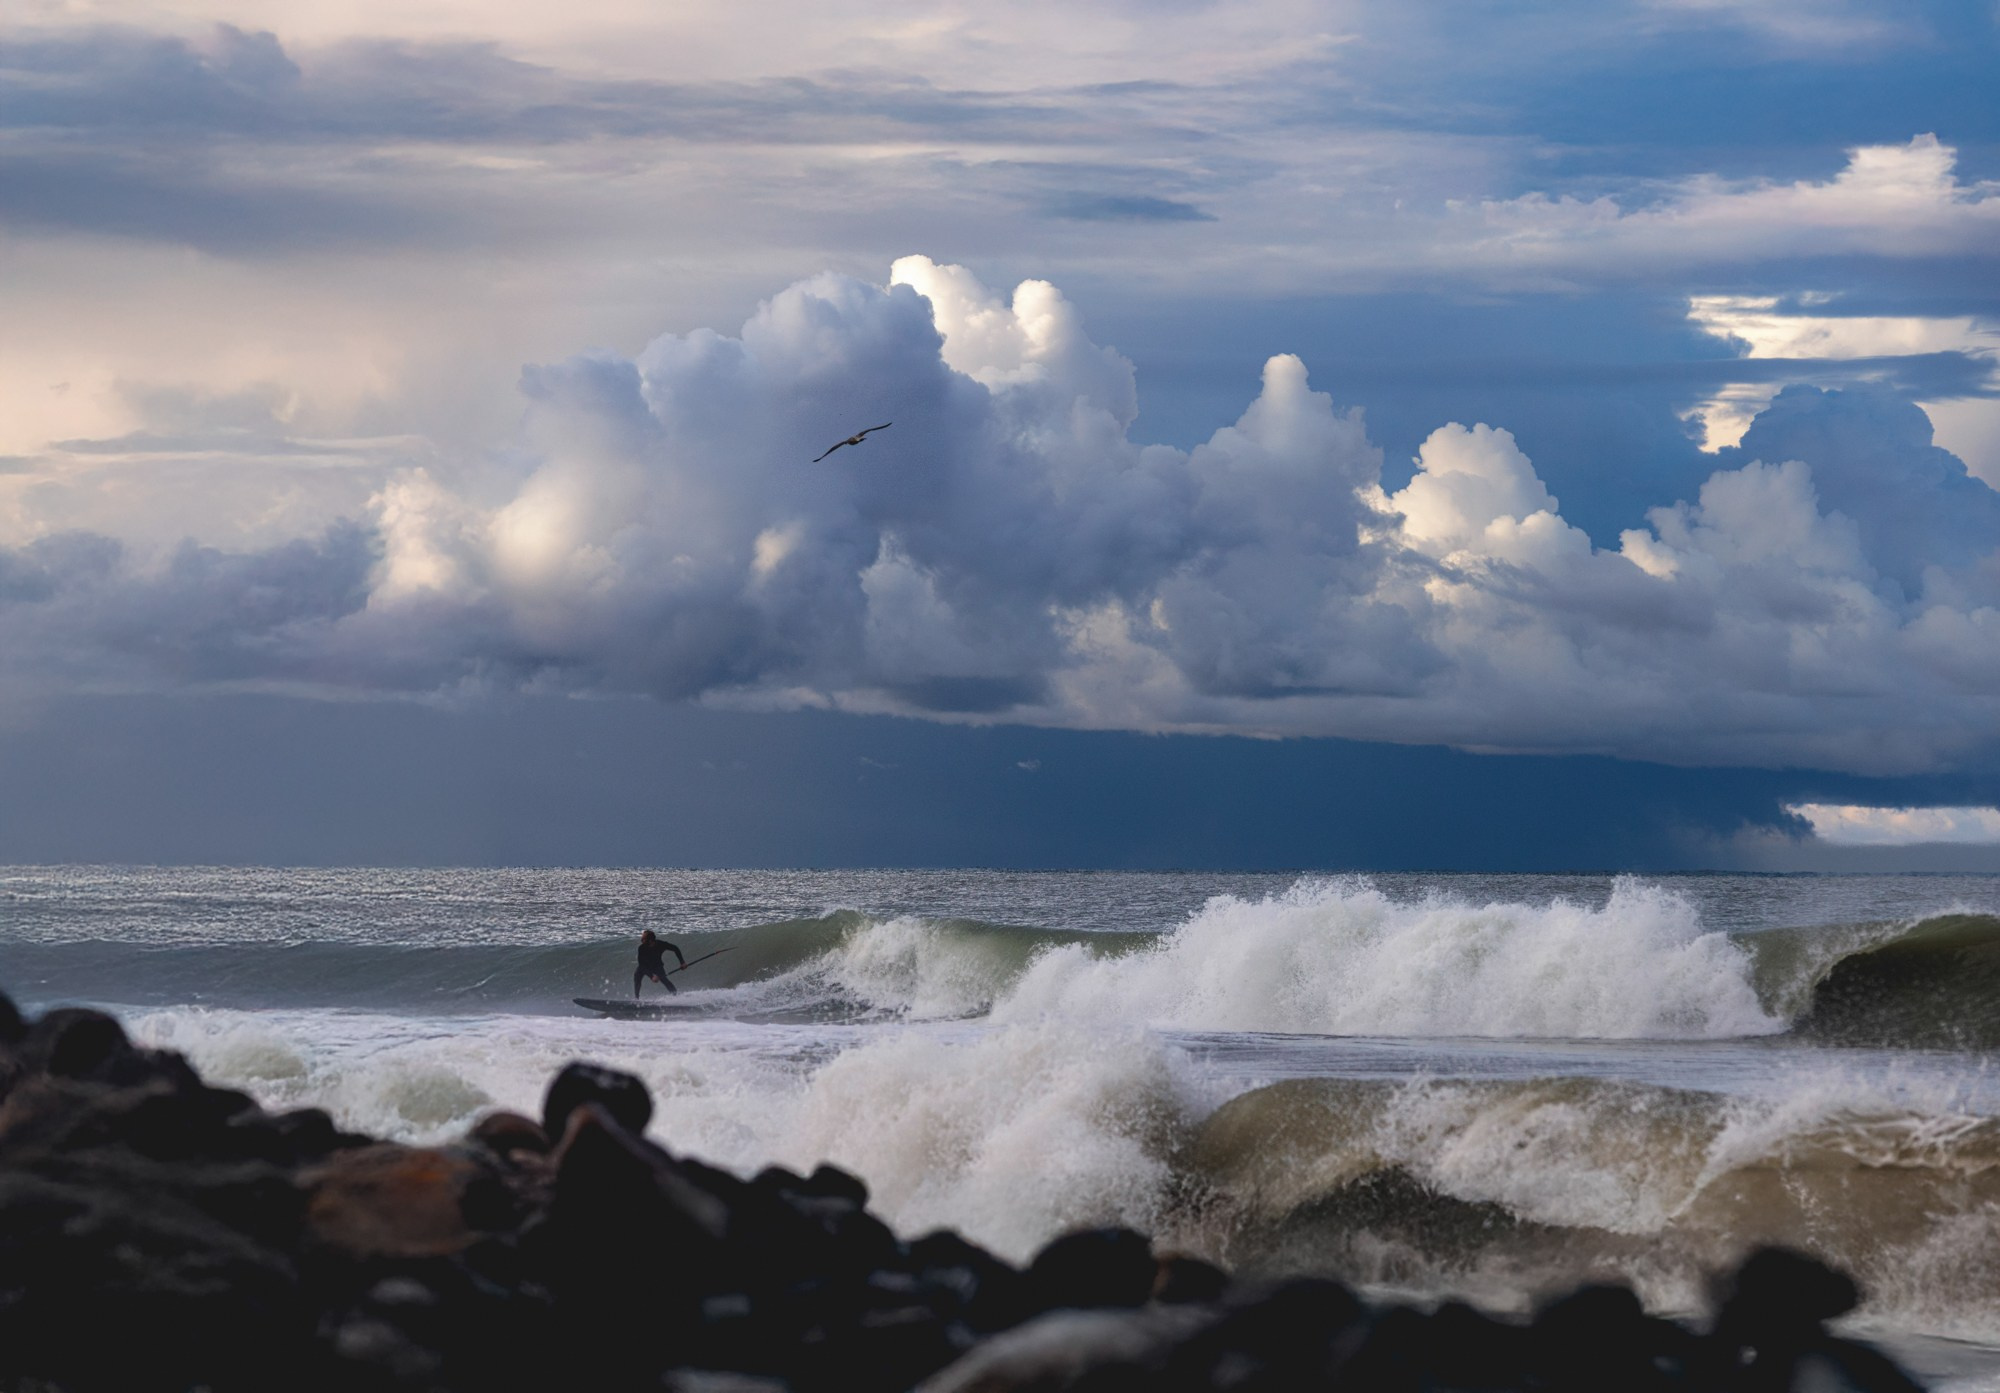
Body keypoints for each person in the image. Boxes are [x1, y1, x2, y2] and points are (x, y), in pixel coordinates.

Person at [634, 929, 687, 999]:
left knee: (665, 980)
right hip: (645, 967)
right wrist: (651, 976)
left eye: (643, 939)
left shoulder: (661, 944)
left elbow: (675, 948)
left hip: (657, 966)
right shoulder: (641, 948)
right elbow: (641, 964)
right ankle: (636, 998)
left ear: (650, 940)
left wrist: (682, 962)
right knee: (637, 975)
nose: (641, 940)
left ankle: (676, 996)